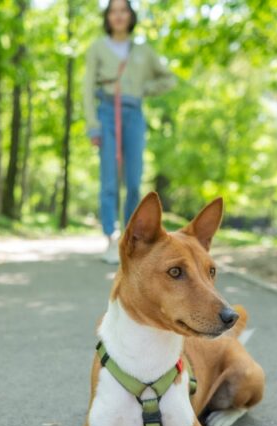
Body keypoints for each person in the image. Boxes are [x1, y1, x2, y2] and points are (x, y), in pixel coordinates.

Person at [83, 0, 177, 264]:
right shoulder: (97, 48)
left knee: (134, 181)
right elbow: (87, 88)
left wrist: (143, 90)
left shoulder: (143, 50)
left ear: (131, 15)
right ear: (108, 16)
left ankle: (132, 238)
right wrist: (93, 125)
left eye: (123, 10)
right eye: (113, 11)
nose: (118, 15)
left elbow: (168, 78)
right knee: (109, 180)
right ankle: (111, 239)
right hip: (106, 112)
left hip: (134, 114)